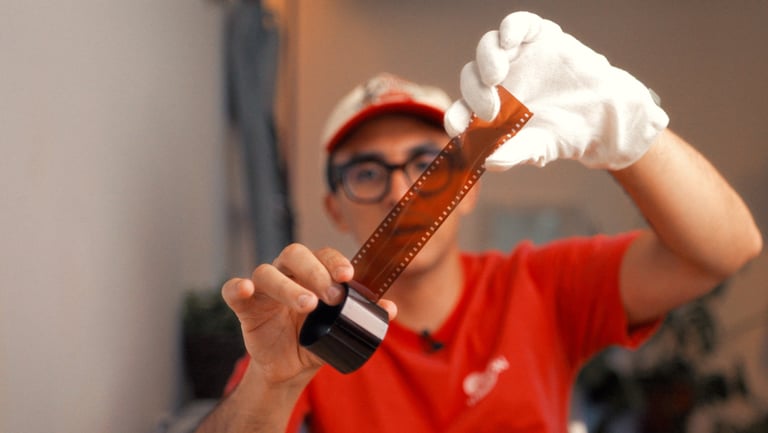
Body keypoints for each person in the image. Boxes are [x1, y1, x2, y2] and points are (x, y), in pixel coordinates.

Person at [195, 11, 762, 433]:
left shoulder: (539, 286)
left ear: (469, 189)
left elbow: (727, 250)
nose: (399, 189)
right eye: (366, 172)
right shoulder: (308, 329)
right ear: (334, 206)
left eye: (425, 164)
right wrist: (271, 384)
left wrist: (628, 131)